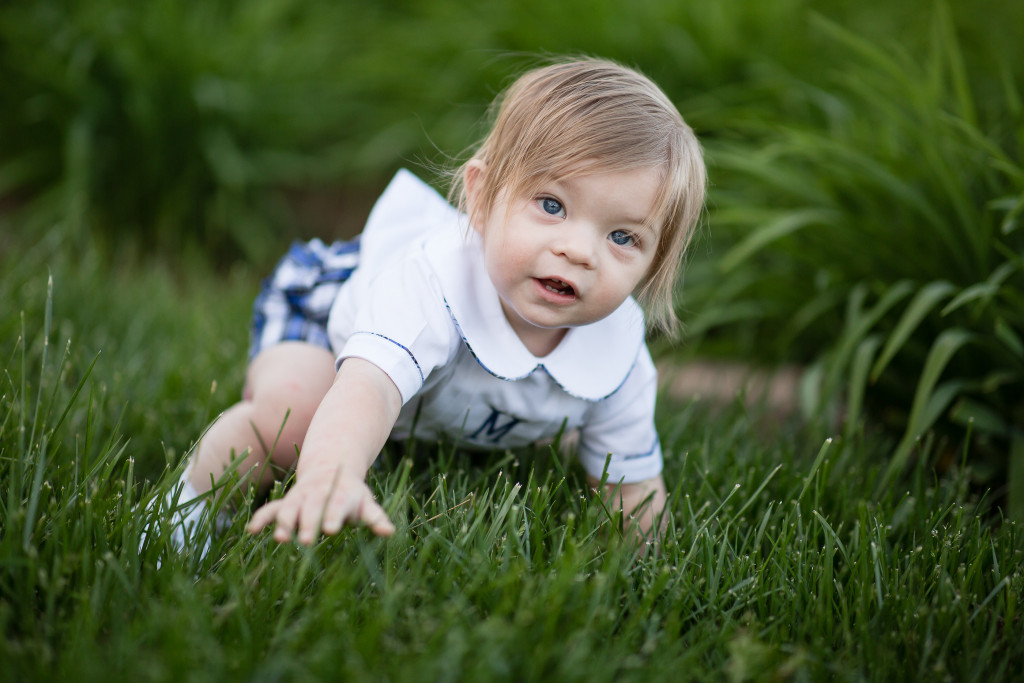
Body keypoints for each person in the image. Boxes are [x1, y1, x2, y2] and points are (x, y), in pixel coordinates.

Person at [146, 56, 706, 557]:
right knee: (294, 416)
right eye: (552, 205)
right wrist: (329, 474)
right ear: (483, 199)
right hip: (332, 311)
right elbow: (369, 388)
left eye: (623, 238)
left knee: (559, 437)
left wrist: (646, 567)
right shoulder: (430, 288)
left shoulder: (618, 356)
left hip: (448, 384)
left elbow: (631, 489)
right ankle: (187, 508)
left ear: (655, 264)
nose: (579, 251)